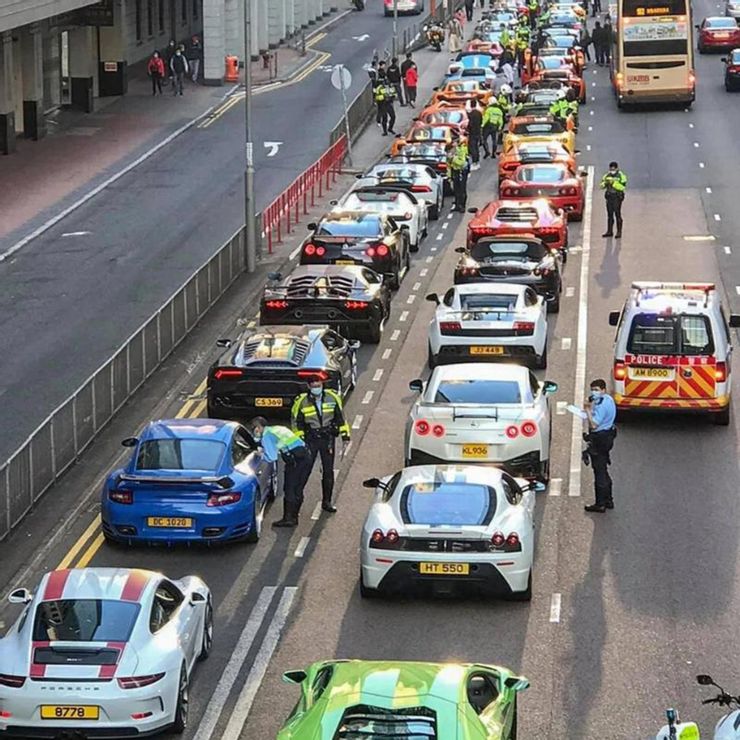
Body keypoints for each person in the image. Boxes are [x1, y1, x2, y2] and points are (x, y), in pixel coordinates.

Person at [291, 377, 351, 513]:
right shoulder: (301, 401)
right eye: (313, 386)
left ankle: (327, 502)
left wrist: (345, 436)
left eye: (319, 385)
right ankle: (296, 502)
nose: (316, 388)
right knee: (304, 471)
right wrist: (300, 441)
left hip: (327, 438)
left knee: (328, 472)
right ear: (309, 386)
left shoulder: (332, 397)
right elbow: (296, 423)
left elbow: (340, 418)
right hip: (311, 440)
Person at [249, 417, 310, 528]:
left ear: (257, 428)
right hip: (304, 456)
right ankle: (294, 517)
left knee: (289, 488)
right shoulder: (275, 429)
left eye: (254, 429)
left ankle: (288, 518)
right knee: (298, 488)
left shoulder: (267, 436)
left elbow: (271, 457)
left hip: (295, 460)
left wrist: (259, 454)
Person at [583, 379, 617, 513]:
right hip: (607, 436)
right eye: (592, 389)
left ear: (603, 390)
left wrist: (587, 410)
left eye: (596, 389)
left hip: (600, 440)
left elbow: (594, 424)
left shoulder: (603, 405)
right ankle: (609, 500)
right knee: (603, 468)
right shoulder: (607, 399)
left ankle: (600, 503)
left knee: (599, 471)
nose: (593, 392)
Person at [600, 160, 627, 237]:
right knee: (610, 214)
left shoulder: (621, 176)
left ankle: (619, 232)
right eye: (611, 169)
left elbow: (622, 187)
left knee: (617, 213)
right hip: (609, 197)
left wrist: (614, 184)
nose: (612, 171)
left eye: (613, 169)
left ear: (617, 168)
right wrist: (605, 183)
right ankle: (609, 231)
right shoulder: (606, 176)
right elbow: (601, 185)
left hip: (617, 197)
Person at [447, 138, 470, 211]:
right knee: (456, 188)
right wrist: (449, 176)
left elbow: (462, 163)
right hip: (455, 171)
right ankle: (457, 204)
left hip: (461, 171)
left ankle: (462, 206)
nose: (452, 144)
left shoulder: (461, 149)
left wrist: (453, 158)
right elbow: (449, 164)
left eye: (453, 142)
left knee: (462, 188)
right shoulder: (453, 150)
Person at [467, 99, 483, 170]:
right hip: (478, 132)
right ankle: (477, 162)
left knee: (473, 148)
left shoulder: (470, 114)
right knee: (476, 147)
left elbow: (470, 124)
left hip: (472, 133)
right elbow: (481, 122)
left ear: (470, 105)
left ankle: (474, 162)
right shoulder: (479, 113)